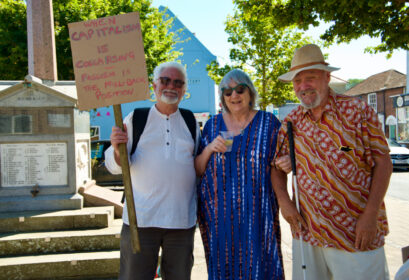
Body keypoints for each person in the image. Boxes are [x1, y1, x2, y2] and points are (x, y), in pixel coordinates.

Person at [271, 44, 393, 280]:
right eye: (297, 81)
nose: (303, 86)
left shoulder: (358, 111)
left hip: (355, 231)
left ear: (327, 77)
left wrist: (370, 215)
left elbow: (383, 162)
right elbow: (276, 167)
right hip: (308, 233)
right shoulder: (291, 122)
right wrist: (284, 202)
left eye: (310, 78)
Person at [105, 61, 200, 280]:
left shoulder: (190, 121)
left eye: (178, 82)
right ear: (154, 86)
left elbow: (197, 166)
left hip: (181, 222)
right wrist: (118, 150)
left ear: (184, 89)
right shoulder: (136, 118)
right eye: (165, 80)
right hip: (141, 221)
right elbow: (114, 165)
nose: (171, 86)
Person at [195, 69, 284, 280]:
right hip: (221, 219)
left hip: (259, 216)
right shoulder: (212, 125)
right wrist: (208, 149)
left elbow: (282, 161)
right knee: (226, 268)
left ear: (250, 92)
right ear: (223, 98)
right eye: (227, 92)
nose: (234, 95)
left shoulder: (269, 123)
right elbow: (198, 169)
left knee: (261, 267)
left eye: (239, 89)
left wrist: (287, 161)